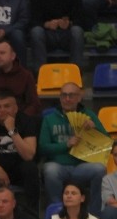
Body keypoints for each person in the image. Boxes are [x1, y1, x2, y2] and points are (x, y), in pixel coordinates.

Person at [37, 82, 108, 210]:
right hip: (58, 166)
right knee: (50, 170)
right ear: (60, 98)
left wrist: (95, 130)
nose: (67, 99)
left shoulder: (89, 115)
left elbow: (106, 144)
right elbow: (43, 147)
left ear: (79, 97)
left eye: (71, 95)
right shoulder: (49, 119)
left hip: (82, 166)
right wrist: (66, 145)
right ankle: (57, 211)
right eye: (64, 95)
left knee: (99, 169)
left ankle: (95, 213)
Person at [28, 0, 85, 69]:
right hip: (47, 35)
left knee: (77, 31)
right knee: (36, 31)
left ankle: (76, 71)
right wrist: (47, 24)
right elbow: (33, 20)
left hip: (67, 35)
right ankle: (40, 72)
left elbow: (81, 18)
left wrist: (69, 23)